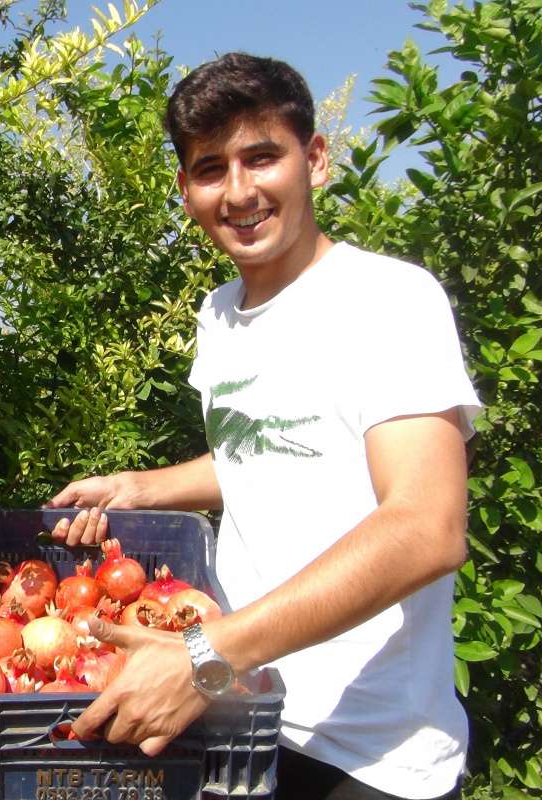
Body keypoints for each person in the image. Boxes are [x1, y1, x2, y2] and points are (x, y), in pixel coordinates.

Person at [44, 52, 479, 800]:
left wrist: (204, 657)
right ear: (185, 190)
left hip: (369, 755)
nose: (239, 191)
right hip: (244, 719)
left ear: (314, 159)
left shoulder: (389, 300)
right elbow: (267, 449)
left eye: (262, 157)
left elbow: (426, 526)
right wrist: (144, 487)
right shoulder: (220, 314)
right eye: (211, 168)